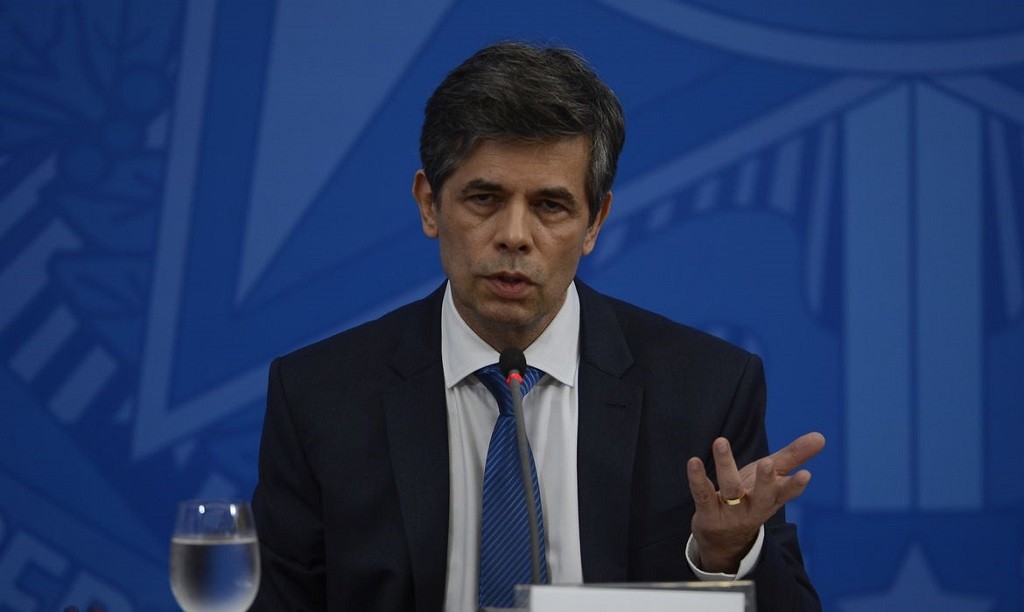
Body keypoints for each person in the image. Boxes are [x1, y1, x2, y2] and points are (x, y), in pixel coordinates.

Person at [251, 41, 824, 611]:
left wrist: (727, 554)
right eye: (484, 198)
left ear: (595, 222)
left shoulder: (706, 391)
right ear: (429, 204)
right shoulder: (320, 398)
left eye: (551, 206)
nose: (515, 236)